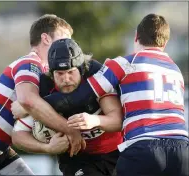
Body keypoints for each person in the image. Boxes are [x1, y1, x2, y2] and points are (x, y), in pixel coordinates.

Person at [47, 14, 189, 176]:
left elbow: (80, 96)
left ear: (136, 36)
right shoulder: (175, 70)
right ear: (165, 42)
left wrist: (31, 105)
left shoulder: (124, 63)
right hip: (182, 150)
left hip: (144, 147)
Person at [0, 14, 76, 175]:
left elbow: (31, 106)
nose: (68, 45)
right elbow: (27, 100)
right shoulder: (30, 63)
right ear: (46, 38)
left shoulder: (49, 75)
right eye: (64, 38)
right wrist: (70, 130)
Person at [11, 38, 123, 176]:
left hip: (115, 153)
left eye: (71, 72)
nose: (66, 79)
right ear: (51, 74)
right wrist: (47, 148)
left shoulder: (95, 75)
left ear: (81, 70)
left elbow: (118, 120)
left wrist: (94, 120)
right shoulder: (45, 89)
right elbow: (17, 136)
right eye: (60, 73)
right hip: (76, 159)